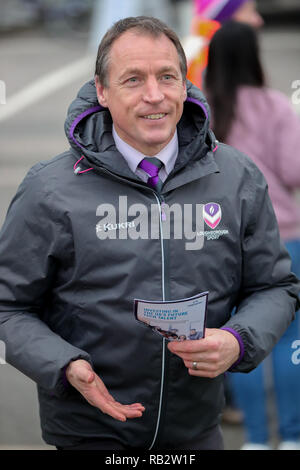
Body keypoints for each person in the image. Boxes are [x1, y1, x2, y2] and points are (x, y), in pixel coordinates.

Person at [0, 16, 299, 451]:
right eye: (133, 79)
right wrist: (64, 365)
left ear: (185, 84)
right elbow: (9, 306)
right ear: (102, 91)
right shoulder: (50, 189)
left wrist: (238, 340)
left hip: (196, 434)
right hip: (89, 434)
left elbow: (276, 287)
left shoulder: (236, 176)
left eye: (166, 77)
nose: (154, 95)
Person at [205, 20, 300, 450]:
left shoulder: (203, 110)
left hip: (220, 240)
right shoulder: (275, 106)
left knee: (233, 340)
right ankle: (294, 436)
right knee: (289, 342)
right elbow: (293, 169)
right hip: (285, 234)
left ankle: (257, 440)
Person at [183, 0, 264, 88]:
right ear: (226, 18)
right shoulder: (209, 60)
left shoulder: (197, 51)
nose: (258, 21)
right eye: (250, 11)